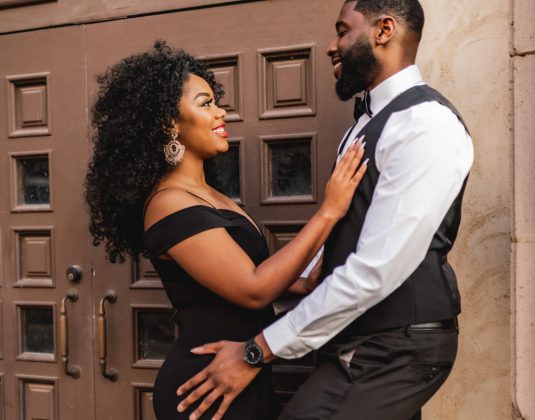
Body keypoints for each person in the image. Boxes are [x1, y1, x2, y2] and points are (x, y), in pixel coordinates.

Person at [175, 1, 474, 419]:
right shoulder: (363, 125)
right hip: (354, 341)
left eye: (342, 30)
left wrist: (255, 351)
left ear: (383, 30)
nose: (332, 46)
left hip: (395, 348)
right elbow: (350, 234)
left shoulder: (426, 125)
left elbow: (374, 269)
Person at [84, 41, 367, 420]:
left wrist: (304, 282)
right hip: (205, 385)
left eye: (215, 102)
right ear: (170, 123)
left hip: (240, 374)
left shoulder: (209, 195)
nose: (221, 112)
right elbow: (252, 289)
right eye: (205, 103)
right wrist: (329, 212)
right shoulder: (168, 202)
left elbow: (230, 282)